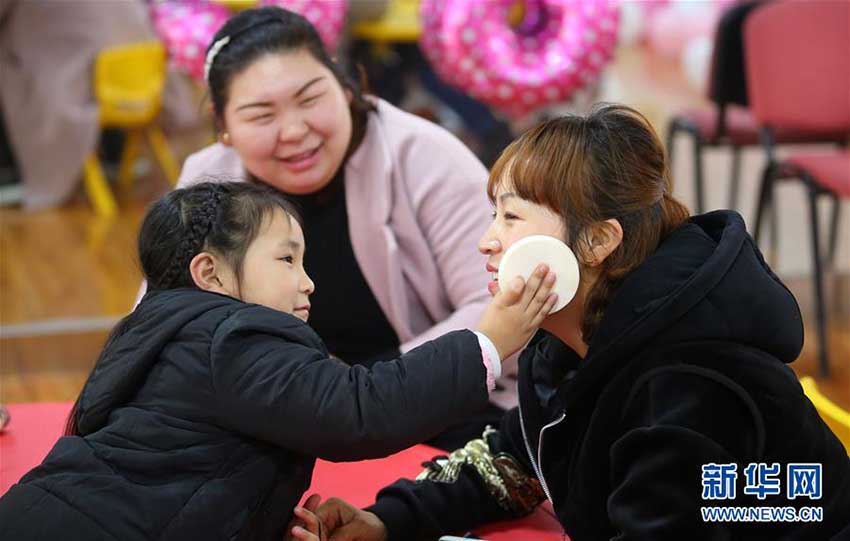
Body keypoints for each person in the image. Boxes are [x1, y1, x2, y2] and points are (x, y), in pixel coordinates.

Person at [302, 104, 850, 540]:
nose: (486, 240)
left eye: (511, 217)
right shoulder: (570, 339)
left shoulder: (686, 384)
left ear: (597, 241)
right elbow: (516, 459)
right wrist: (387, 521)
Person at [0, 181, 558, 541]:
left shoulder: (170, 333)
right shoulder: (232, 335)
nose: (308, 281)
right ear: (211, 274)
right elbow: (360, 410)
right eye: (287, 259)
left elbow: (186, 470)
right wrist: (486, 340)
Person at [165, 6, 511, 448]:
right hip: (279, 422)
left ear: (347, 88)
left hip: (440, 412)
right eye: (260, 115)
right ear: (224, 126)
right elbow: (163, 317)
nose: (293, 131)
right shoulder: (207, 182)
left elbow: (497, 299)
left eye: (311, 99)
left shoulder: (424, 155)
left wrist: (365, 389)